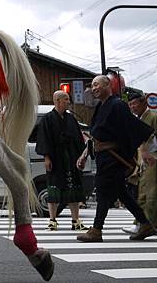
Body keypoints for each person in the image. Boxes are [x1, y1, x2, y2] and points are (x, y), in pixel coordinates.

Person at [76, 75, 155, 242]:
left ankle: (97, 229)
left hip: (114, 156)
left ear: (108, 85)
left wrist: (145, 149)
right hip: (103, 155)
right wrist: (84, 155)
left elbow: (134, 129)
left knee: (103, 190)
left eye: (98, 84)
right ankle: (145, 223)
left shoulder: (118, 105)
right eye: (93, 85)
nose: (95, 88)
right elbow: (95, 135)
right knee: (121, 192)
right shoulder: (100, 106)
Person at [35, 90, 88, 231]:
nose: (68, 102)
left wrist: (82, 157)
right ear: (57, 100)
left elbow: (78, 138)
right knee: (54, 189)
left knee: (74, 189)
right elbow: (43, 139)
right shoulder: (47, 119)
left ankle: (75, 220)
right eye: (65, 99)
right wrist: (46, 157)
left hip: (72, 157)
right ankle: (52, 220)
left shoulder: (71, 119)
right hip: (55, 158)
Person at [123, 92, 157, 234]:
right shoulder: (137, 119)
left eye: (134, 103)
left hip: (153, 157)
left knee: (150, 192)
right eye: (130, 104)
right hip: (143, 159)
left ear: (144, 103)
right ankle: (141, 222)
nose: (132, 107)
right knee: (142, 192)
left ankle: (147, 223)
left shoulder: (153, 117)